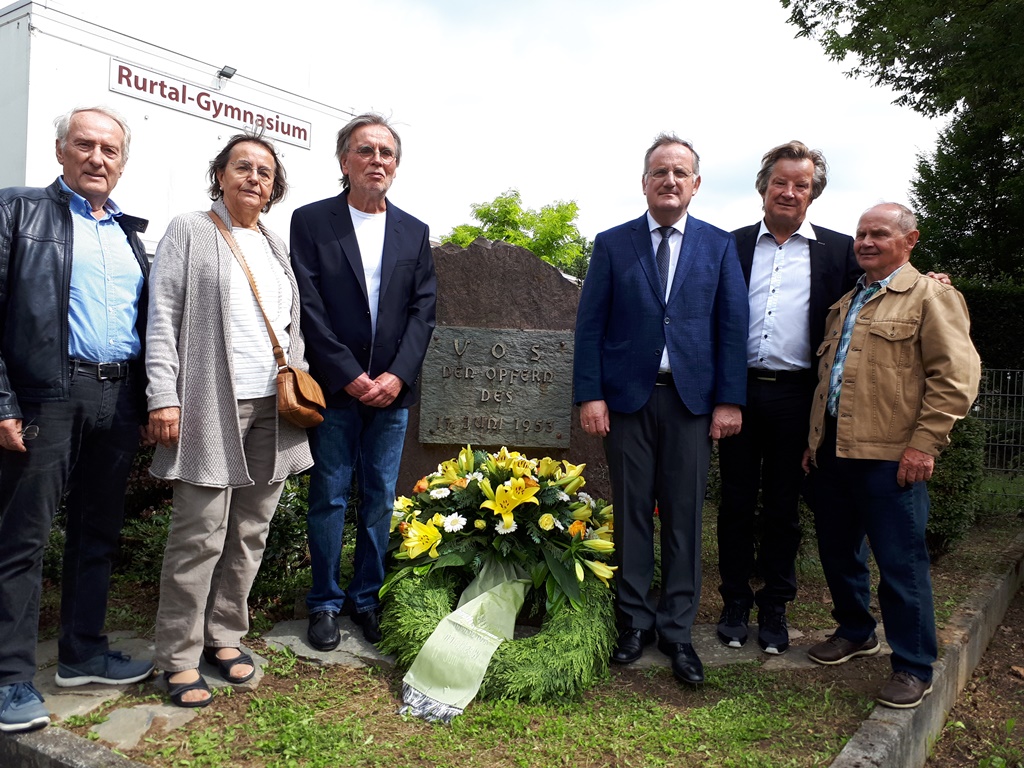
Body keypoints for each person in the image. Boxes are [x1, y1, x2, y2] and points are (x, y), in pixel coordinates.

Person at [573, 132, 748, 685]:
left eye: (680, 173)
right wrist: (590, 394)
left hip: (692, 405)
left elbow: (731, 328)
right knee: (630, 517)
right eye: (659, 172)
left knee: (683, 519)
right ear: (644, 182)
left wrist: (729, 401)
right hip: (626, 402)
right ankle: (633, 624)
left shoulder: (718, 246)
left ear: (695, 185)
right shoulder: (612, 243)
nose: (669, 181)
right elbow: (590, 326)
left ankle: (677, 632)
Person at [0, 106, 154, 733]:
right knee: (22, 539)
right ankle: (10, 678)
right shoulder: (20, 212)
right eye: (85, 145)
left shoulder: (129, 234)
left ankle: (82, 652)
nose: (98, 158)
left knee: (99, 532)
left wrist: (146, 404)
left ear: (122, 162)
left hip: (116, 399)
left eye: (110, 149)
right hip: (46, 396)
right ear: (60, 150)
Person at [146, 134, 313, 708]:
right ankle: (177, 655)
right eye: (242, 166)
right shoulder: (189, 230)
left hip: (274, 407)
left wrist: (298, 370)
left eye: (265, 172)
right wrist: (161, 395)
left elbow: (292, 327)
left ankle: (225, 635)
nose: (254, 178)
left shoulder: (273, 244)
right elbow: (162, 317)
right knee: (198, 533)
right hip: (208, 406)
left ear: (275, 188)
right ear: (219, 174)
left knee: (250, 532)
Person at [801, 203, 980, 709]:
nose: (866, 241)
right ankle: (856, 630)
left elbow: (956, 379)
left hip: (890, 455)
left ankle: (913, 665)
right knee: (839, 552)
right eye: (860, 234)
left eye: (879, 233)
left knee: (901, 563)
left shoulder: (931, 296)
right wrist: (813, 444)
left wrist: (924, 444)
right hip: (835, 451)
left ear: (910, 240)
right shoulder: (848, 300)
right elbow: (828, 383)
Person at [291, 113, 436, 650]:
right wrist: (349, 376)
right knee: (328, 496)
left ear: (396, 166)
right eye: (366, 150)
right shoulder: (311, 222)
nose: (377, 160)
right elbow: (308, 306)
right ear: (344, 160)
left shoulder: (413, 232)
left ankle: (366, 599)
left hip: (392, 395)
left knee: (380, 498)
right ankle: (325, 602)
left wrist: (397, 376)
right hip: (334, 390)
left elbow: (424, 312)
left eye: (387, 153)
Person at [715, 141, 859, 654]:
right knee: (734, 503)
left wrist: (927, 279)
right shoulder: (727, 246)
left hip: (800, 398)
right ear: (763, 187)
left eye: (801, 185)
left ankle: (775, 604)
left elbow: (882, 286)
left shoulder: (839, 252)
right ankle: (734, 600)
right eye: (781, 182)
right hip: (738, 393)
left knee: (783, 507)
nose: (789, 192)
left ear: (812, 195)